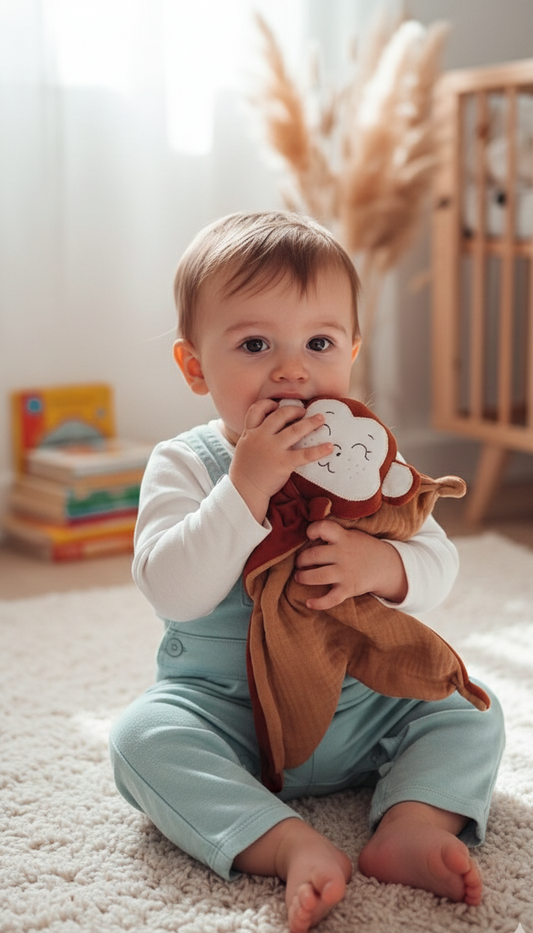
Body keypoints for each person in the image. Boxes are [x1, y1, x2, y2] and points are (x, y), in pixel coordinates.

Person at [110, 211, 505, 933]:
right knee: (141, 738)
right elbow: (172, 589)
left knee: (467, 707)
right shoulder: (186, 463)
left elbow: (438, 560)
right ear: (195, 367)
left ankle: (411, 824)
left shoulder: (366, 458)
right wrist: (244, 488)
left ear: (350, 353)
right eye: (254, 344)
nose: (292, 370)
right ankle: (285, 841)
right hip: (227, 713)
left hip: (361, 703)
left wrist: (381, 564)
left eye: (318, 344)